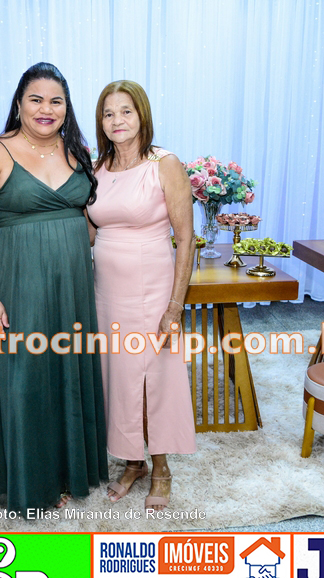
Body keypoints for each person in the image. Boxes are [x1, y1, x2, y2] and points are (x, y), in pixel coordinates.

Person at [0, 62, 108, 515]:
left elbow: (88, 218)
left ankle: (69, 472)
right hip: (19, 281)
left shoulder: (76, 151)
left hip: (73, 283)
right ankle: (32, 482)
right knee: (26, 379)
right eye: (36, 99)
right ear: (19, 104)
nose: (47, 109)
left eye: (56, 101)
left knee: (69, 373)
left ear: (67, 107)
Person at [87, 80, 196, 512]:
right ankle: (133, 462)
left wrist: (175, 307)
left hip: (152, 291)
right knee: (117, 376)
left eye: (126, 111)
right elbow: (89, 232)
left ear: (142, 115)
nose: (117, 120)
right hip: (106, 292)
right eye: (108, 113)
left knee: (155, 377)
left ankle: (162, 467)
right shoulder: (96, 169)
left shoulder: (164, 164)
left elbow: (185, 240)